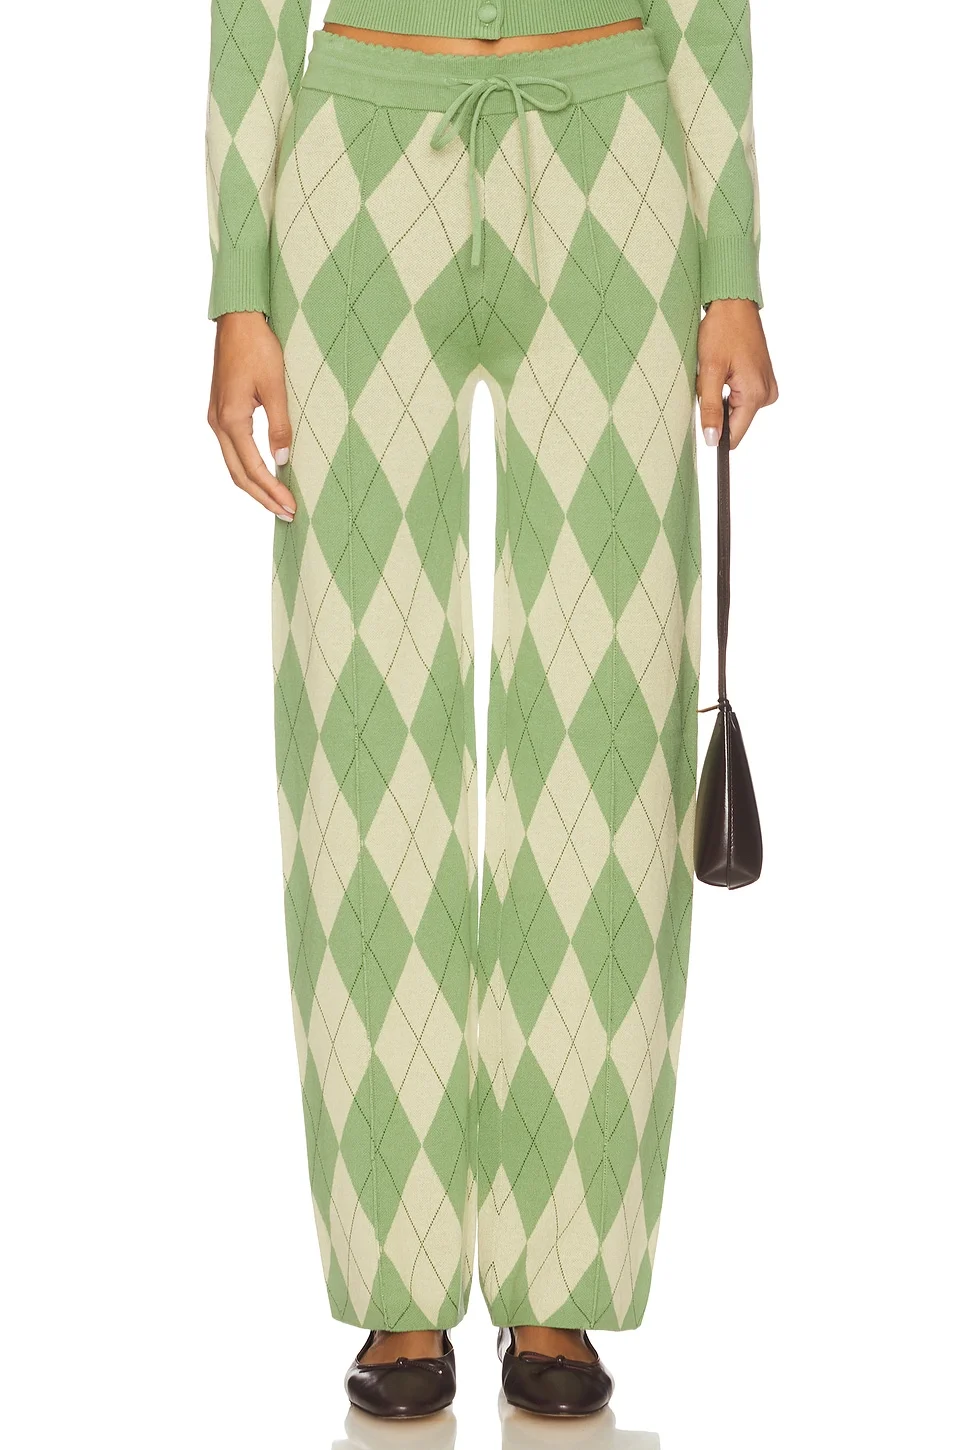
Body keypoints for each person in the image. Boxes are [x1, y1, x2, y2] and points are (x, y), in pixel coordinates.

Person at [205, 0, 778, 1421]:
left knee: (606, 731)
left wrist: (731, 267)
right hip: (357, 155)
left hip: (616, 155)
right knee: (361, 730)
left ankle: (558, 1274)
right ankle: (397, 1282)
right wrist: (237, 289)